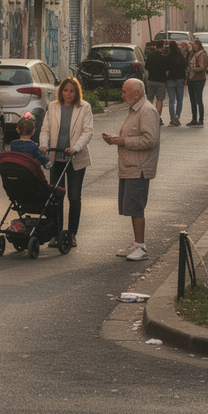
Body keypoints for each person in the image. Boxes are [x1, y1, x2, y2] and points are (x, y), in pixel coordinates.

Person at [102, 77, 161, 261]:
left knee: (136, 207)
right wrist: (116, 139)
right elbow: (133, 134)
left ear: (136, 93)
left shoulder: (147, 111)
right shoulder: (136, 109)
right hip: (131, 166)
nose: (122, 95)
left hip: (139, 167)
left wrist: (123, 141)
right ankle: (137, 243)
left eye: (124, 92)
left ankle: (141, 247)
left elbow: (150, 140)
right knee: (131, 206)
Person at [39, 76, 93, 248]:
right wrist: (43, 145)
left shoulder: (84, 107)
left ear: (76, 92)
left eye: (72, 91)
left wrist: (75, 147)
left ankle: (72, 234)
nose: (68, 94)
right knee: (56, 197)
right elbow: (45, 129)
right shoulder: (53, 107)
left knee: (74, 196)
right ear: (60, 91)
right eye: (65, 90)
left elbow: (87, 131)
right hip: (57, 158)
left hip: (75, 158)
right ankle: (56, 234)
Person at [143, 41, 167, 120]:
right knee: (159, 100)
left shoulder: (150, 56)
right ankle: (158, 117)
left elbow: (146, 67)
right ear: (162, 48)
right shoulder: (163, 57)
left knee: (150, 99)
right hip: (160, 81)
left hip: (151, 79)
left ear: (156, 47)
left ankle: (149, 117)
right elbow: (166, 68)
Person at [186, 42, 208, 127]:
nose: (194, 46)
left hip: (198, 79)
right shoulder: (193, 54)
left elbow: (202, 67)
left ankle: (201, 119)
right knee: (192, 100)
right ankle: (194, 119)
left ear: (198, 45)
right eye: (193, 45)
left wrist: (193, 68)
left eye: (195, 45)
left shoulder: (201, 54)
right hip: (191, 78)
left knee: (199, 100)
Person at [165, 41, 187, 126]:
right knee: (179, 99)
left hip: (171, 79)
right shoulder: (180, 56)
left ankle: (172, 117)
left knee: (171, 100)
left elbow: (166, 68)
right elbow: (185, 66)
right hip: (180, 79)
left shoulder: (168, 57)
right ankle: (177, 116)